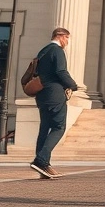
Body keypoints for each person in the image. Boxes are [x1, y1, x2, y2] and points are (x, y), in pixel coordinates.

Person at [31, 27, 79, 179]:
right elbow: (61, 71)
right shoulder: (57, 51)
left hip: (42, 94)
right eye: (67, 38)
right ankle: (41, 161)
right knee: (59, 127)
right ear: (60, 36)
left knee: (45, 128)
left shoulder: (43, 51)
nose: (67, 42)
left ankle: (43, 165)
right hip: (55, 94)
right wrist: (73, 85)